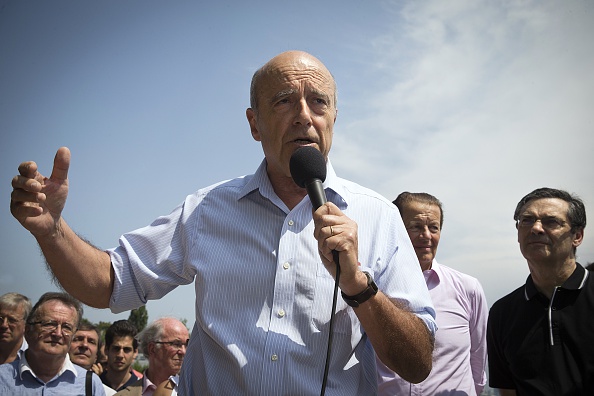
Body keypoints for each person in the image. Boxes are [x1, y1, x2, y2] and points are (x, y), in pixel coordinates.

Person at [9, 50, 437, 394]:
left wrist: (359, 289)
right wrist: (51, 231)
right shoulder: (207, 209)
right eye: (284, 100)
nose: (304, 115)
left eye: (319, 102)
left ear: (334, 119)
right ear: (254, 123)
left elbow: (417, 362)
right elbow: (111, 281)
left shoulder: (378, 216)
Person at [377, 192, 488, 395]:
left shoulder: (467, 289)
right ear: (395, 230)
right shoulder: (371, 290)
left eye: (433, 228)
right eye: (416, 226)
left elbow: (478, 363)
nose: (426, 235)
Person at [487, 187, 594, 395]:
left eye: (551, 221)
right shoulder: (502, 313)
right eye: (526, 220)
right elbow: (507, 390)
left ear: (577, 236)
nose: (535, 228)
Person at [0, 292, 105, 395]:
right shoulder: (3, 378)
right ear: (28, 330)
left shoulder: (90, 385)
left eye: (66, 327)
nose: (58, 334)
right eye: (49, 324)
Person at [115, 317, 189, 396]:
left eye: (187, 344)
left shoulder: (196, 390)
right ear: (152, 349)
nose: (183, 352)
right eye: (176, 344)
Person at [69, 322, 117, 395]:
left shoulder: (108, 394)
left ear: (96, 356)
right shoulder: (49, 383)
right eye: (78, 339)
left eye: (91, 342)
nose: (84, 345)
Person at [100, 320, 140, 392]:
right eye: (116, 348)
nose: (120, 355)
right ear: (106, 350)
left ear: (135, 352)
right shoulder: (93, 385)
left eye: (126, 349)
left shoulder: (143, 390)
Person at [0, 292, 31, 364]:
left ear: (26, 325)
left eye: (12, 320)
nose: (4, 325)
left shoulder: (34, 357)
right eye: (0, 319)